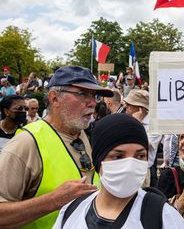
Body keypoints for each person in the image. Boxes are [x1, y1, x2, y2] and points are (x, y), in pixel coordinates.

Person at [0, 66, 113, 228]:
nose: (93, 103)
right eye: (82, 94)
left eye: (94, 96)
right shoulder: (26, 143)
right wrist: (52, 201)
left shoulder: (82, 134)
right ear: (54, 98)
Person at [54, 113, 184, 228]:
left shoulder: (163, 217)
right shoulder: (72, 211)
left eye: (140, 156)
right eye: (118, 156)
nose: (130, 165)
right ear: (99, 161)